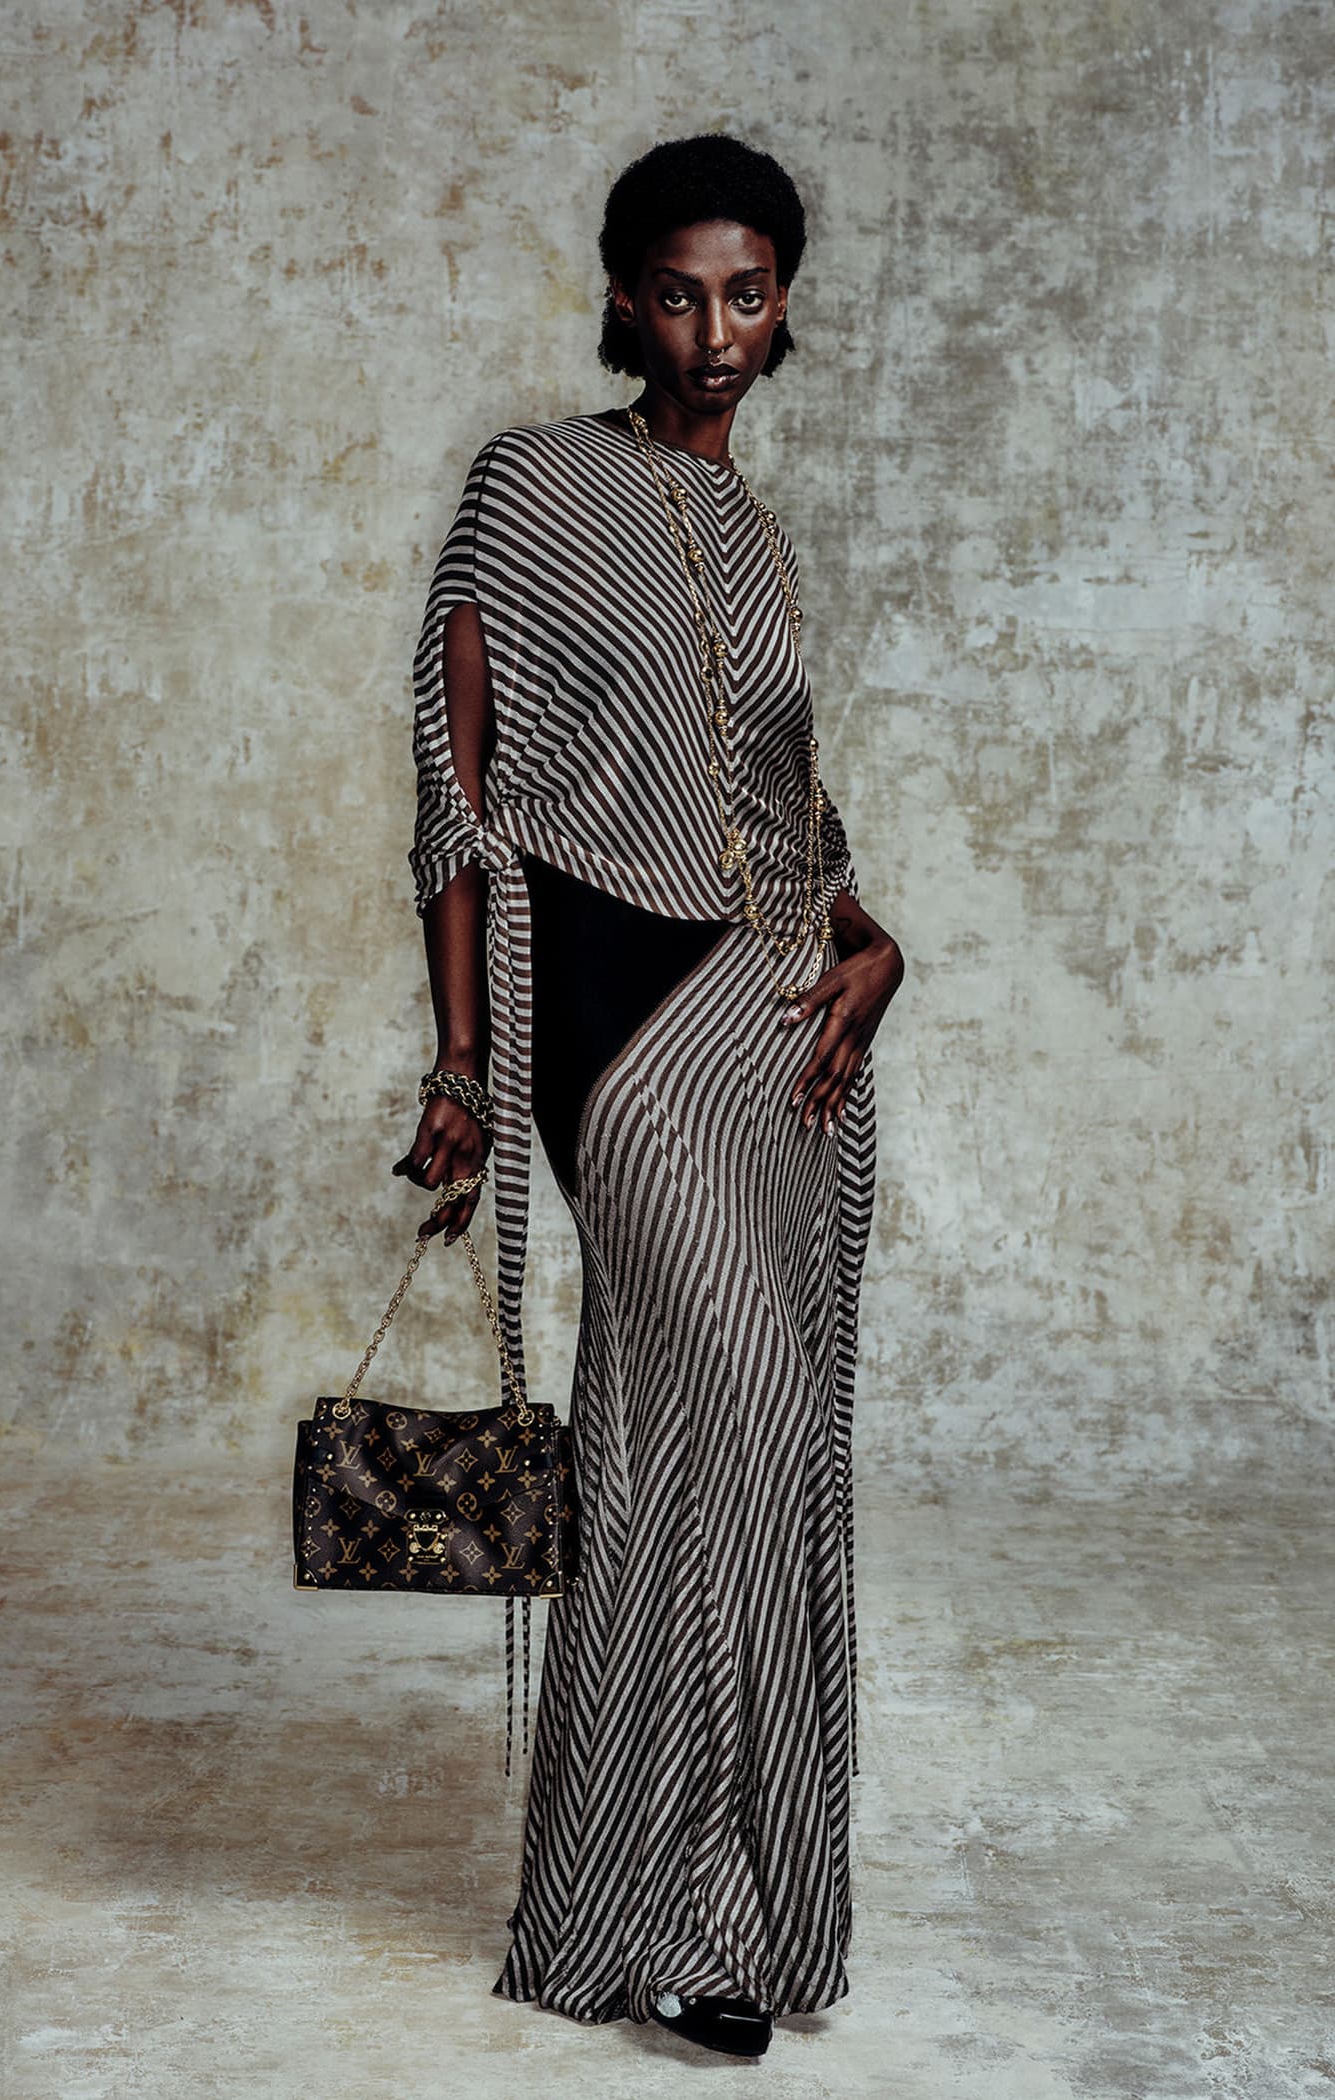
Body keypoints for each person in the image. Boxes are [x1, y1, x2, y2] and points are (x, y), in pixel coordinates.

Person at [397, 132, 904, 2061]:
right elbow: (456, 790)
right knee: (712, 1423)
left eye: (747, 294)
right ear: (624, 298)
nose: (714, 332)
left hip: (786, 1030)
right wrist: (464, 1061)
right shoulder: (531, 485)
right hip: (624, 1033)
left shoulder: (759, 539)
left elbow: (784, 804)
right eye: (678, 295)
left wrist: (875, 944)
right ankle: (664, 1916)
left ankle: (699, 1907)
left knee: (740, 1458)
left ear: (784, 305)